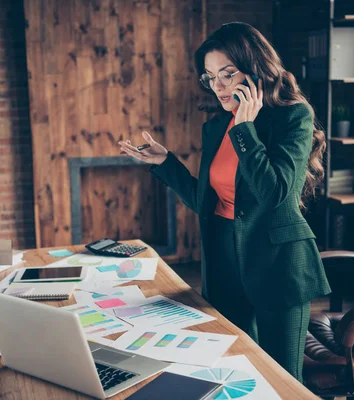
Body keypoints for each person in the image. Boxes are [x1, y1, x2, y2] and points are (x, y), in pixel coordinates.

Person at [118, 22, 331, 382]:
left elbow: (275, 195)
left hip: (279, 267)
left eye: (227, 74)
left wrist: (245, 132)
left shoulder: (293, 117)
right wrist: (166, 163)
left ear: (256, 69)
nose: (218, 86)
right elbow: (209, 201)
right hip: (224, 264)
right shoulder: (216, 126)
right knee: (233, 370)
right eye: (210, 77)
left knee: (281, 379)